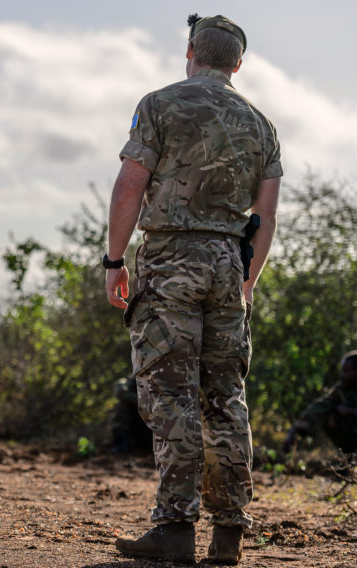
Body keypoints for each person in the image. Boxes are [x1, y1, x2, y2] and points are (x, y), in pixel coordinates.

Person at [104, 14, 282, 565]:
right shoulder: (261, 123)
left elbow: (131, 183)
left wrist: (114, 261)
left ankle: (175, 529)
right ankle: (229, 535)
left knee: (171, 395)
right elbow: (266, 216)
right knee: (225, 399)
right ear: (238, 63)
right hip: (230, 264)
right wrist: (245, 283)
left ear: (190, 51)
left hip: (171, 260)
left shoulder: (159, 104)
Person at [283, 350, 357, 456]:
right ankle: (348, 456)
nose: (342, 375)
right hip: (354, 438)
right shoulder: (341, 389)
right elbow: (320, 406)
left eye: (346, 371)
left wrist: (353, 411)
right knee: (329, 415)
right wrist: (294, 432)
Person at [110, 376, 152, 454]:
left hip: (141, 425)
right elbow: (119, 392)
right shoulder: (126, 382)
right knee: (123, 449)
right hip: (123, 426)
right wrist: (141, 401)